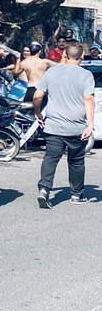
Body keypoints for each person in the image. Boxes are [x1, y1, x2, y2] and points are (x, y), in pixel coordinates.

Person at [34, 43, 95, 208]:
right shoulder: (86, 75)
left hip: (54, 125)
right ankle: (77, 194)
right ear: (81, 57)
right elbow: (88, 99)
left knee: (51, 158)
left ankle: (44, 190)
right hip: (76, 126)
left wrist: (38, 112)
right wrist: (90, 124)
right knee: (76, 161)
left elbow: (38, 95)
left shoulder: (51, 72)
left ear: (65, 55)